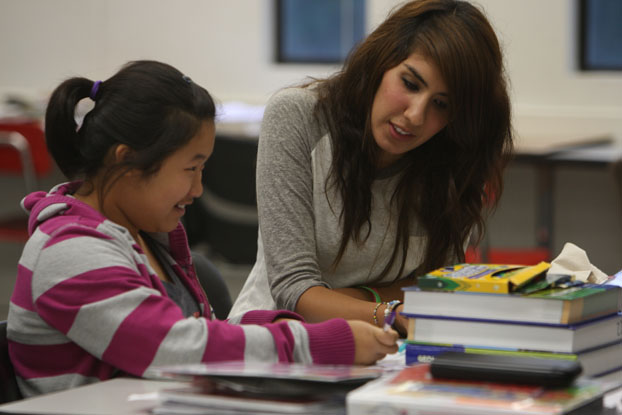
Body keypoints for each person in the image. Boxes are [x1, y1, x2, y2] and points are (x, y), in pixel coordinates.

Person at [7, 60, 398, 398]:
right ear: (125, 162)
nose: (197, 190)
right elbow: (171, 348)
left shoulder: (146, 240)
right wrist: (319, 343)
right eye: (190, 169)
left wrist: (278, 323)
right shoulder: (70, 250)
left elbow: (197, 333)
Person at [229, 0, 513, 336]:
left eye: (442, 104)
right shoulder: (298, 116)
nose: (415, 116)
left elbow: (439, 286)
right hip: (283, 343)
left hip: (396, 349)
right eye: (410, 83)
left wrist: (351, 299)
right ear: (381, 62)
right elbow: (294, 293)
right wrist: (390, 311)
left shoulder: (454, 156)